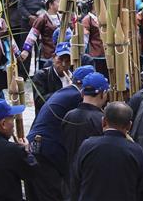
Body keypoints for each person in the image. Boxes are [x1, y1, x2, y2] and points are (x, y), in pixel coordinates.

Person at [26, 65, 95, 201]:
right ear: (82, 84)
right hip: (46, 151)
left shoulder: (65, 92)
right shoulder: (76, 96)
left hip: (36, 146)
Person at [71, 102, 143, 201]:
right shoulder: (136, 151)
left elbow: (75, 181)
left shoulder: (87, 146)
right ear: (129, 126)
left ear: (103, 122)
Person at [61, 72, 109, 173]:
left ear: (82, 93)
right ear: (103, 93)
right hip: (91, 178)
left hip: (69, 177)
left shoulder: (68, 115)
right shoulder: (102, 120)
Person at [20, 0, 62, 70]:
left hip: (59, 53)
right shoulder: (42, 18)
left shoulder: (61, 17)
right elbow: (33, 34)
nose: (61, 3)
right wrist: (26, 50)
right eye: (58, 1)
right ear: (50, 4)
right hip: (46, 53)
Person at [31, 42, 72, 114]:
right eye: (60, 59)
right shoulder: (41, 76)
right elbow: (40, 101)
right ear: (53, 58)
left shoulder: (73, 77)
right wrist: (65, 93)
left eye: (67, 61)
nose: (63, 64)